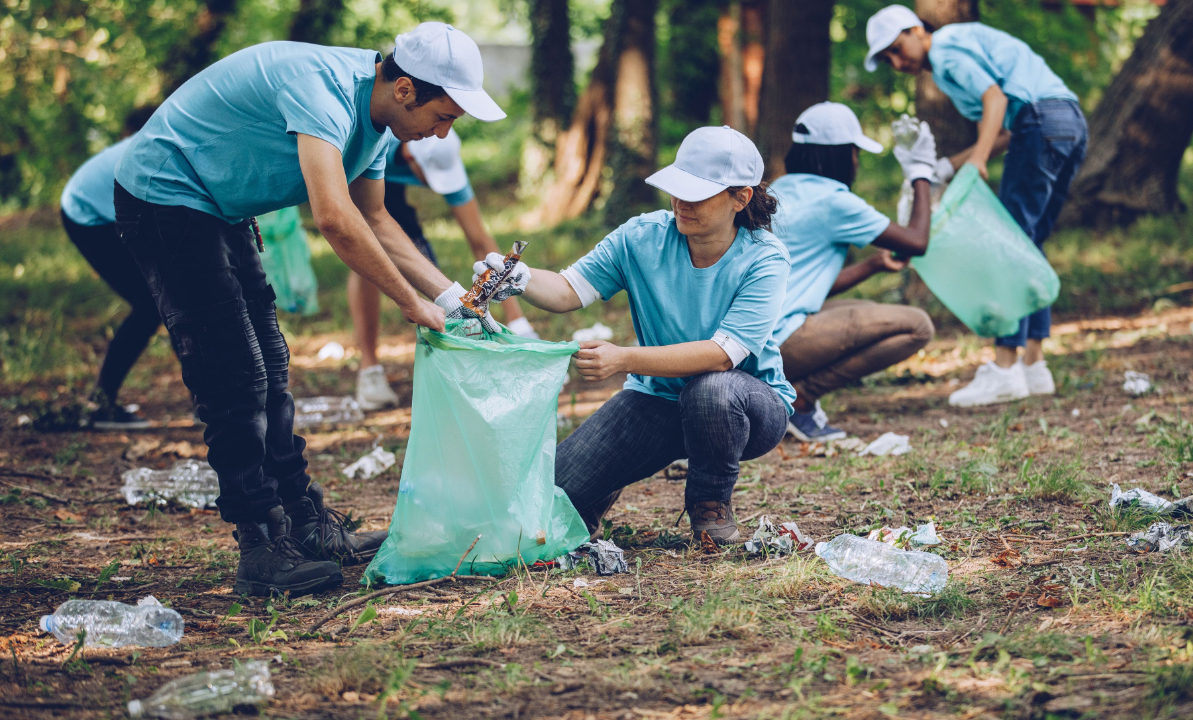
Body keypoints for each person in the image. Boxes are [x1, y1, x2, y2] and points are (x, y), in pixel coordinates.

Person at [113, 23, 508, 596]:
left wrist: (451, 300)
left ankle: (305, 523)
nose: (443, 135)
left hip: (218, 204)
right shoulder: (322, 91)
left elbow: (375, 218)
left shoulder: (378, 123)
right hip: (164, 193)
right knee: (234, 371)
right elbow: (333, 218)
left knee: (271, 360)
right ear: (405, 91)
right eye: (443, 117)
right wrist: (410, 303)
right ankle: (260, 546)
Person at [485, 126, 793, 545]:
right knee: (547, 498)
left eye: (698, 194)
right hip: (657, 400)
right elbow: (568, 289)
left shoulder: (764, 258)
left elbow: (723, 355)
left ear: (740, 198)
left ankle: (710, 505)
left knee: (711, 390)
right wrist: (519, 276)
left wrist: (624, 358)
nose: (682, 202)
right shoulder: (641, 237)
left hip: (748, 405)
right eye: (677, 188)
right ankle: (588, 507)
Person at [866, 5, 1088, 406]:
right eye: (889, 59)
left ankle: (1005, 368)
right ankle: (1035, 365)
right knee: (1028, 244)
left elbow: (995, 99)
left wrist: (979, 160)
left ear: (918, 30)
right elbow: (1003, 129)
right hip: (1068, 121)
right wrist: (948, 166)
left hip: (1040, 122)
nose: (898, 62)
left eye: (898, 49)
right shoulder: (959, 50)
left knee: (1009, 247)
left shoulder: (948, 49)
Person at [770, 102, 937, 441]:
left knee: (876, 315)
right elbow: (916, 241)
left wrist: (874, 264)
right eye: (855, 152)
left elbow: (806, 287)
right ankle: (800, 397)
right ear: (839, 155)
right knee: (917, 326)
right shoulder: (833, 201)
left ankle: (791, 398)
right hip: (776, 342)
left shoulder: (779, 190)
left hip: (756, 332)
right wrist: (921, 173)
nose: (857, 161)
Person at [349, 128, 538, 411]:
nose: (438, 187)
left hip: (394, 174)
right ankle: (369, 371)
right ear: (411, 158)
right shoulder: (374, 145)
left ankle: (446, 366)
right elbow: (361, 229)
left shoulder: (445, 156)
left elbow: (480, 241)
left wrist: (517, 322)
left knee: (427, 266)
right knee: (368, 254)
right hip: (369, 175)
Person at [60, 106, 162, 430]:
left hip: (102, 207)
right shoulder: (159, 150)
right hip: (87, 213)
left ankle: (204, 399)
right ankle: (100, 404)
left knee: (167, 297)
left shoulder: (168, 141)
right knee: (152, 303)